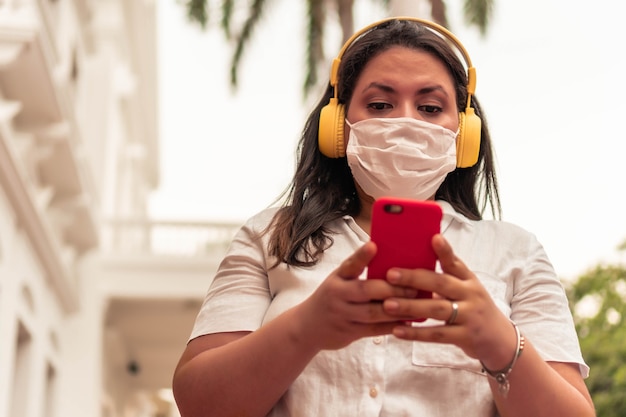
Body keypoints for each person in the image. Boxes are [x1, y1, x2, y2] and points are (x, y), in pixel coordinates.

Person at [172, 17, 595, 417]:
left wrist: (501, 342)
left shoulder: (516, 252)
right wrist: (307, 327)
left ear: (463, 135)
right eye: (379, 104)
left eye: (430, 108)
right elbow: (198, 403)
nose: (406, 122)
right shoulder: (270, 237)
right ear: (338, 126)